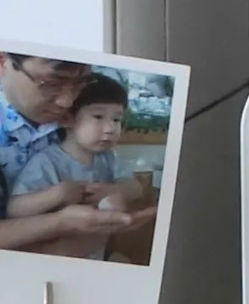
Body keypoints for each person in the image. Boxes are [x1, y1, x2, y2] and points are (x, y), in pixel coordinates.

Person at [7, 78, 153, 262]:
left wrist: (115, 190)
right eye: (98, 117)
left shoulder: (108, 158)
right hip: (55, 257)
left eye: (116, 119)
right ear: (67, 119)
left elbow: (136, 188)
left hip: (99, 252)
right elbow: (15, 209)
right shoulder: (47, 162)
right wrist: (58, 193)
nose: (110, 128)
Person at [0, 52, 125, 263]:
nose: (67, 101)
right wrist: (60, 222)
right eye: (51, 83)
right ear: (3, 63)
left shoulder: (77, 127)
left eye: (80, 83)